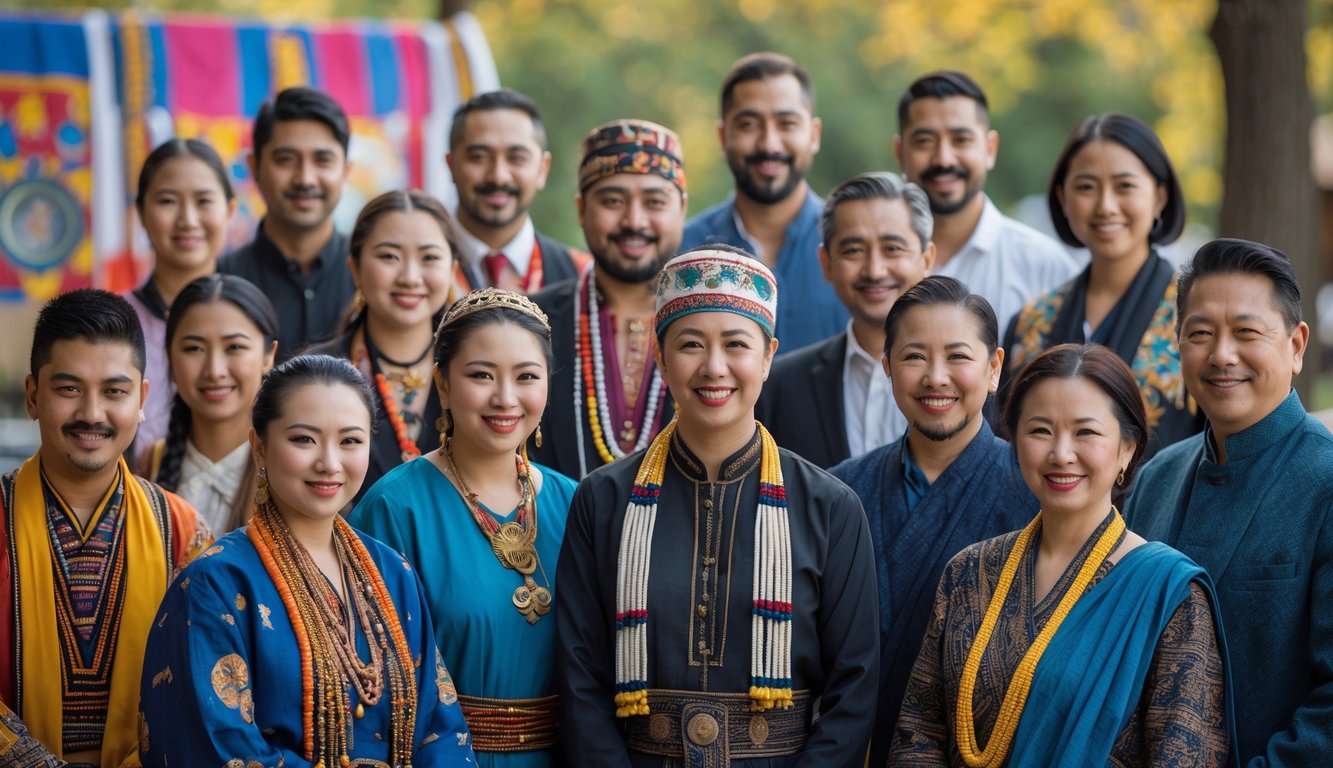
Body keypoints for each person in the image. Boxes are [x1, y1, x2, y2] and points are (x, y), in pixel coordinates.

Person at [556, 246, 879, 767]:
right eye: (690, 344)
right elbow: (578, 676)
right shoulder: (603, 499)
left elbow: (854, 690)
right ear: (660, 357)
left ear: (769, 355)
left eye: (736, 344)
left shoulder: (830, 508)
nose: (714, 367)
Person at [890, 343, 1232, 767]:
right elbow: (918, 730)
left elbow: (1182, 755)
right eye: (1040, 431)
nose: (1061, 454)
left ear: (1127, 448)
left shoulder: (1168, 595)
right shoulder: (968, 572)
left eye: (1085, 432)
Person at [139, 355, 475, 767]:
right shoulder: (216, 585)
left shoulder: (393, 573)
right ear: (259, 447)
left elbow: (440, 726)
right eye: (304, 439)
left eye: (350, 441)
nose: (329, 463)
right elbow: (219, 747)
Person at [1125, 238, 1332, 766]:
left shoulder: (1326, 481)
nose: (1221, 355)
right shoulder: (1155, 478)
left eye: (1246, 332)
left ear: (1296, 345)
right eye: (1200, 333)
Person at [351, 288, 578, 767]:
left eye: (526, 377)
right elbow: (370, 681)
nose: (505, 398)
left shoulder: (577, 502)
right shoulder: (395, 507)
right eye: (481, 375)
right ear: (443, 383)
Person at [827, 275, 1037, 767]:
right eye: (915, 356)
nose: (936, 377)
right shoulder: (837, 492)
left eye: (958, 357)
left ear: (994, 368)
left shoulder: (1037, 494)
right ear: (886, 367)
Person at [0, 290, 209, 768]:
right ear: (33, 395)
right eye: (68, 389)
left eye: (115, 391)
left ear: (142, 400)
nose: (92, 413)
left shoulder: (184, 532)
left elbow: (203, 678)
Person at [1004, 113, 1203, 457]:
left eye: (1124, 186)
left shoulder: (1197, 317)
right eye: (1086, 187)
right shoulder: (1032, 322)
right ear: (1062, 197)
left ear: (1159, 197)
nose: (1105, 206)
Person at [530, 119, 686, 479]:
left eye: (654, 202)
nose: (634, 220)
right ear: (582, 209)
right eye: (613, 201)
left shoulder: (711, 325)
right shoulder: (530, 325)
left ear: (681, 208)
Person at [757, 172, 935, 468]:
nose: (875, 270)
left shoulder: (969, 382)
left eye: (892, 248)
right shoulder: (778, 387)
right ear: (826, 263)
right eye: (854, 250)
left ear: (927, 259)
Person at [681, 52, 847, 351]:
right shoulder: (685, 252)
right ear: (722, 136)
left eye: (786, 124)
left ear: (814, 134)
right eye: (749, 125)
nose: (769, 144)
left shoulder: (855, 251)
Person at [895, 71, 1077, 331]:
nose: (944, 158)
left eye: (961, 140)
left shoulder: (1046, 269)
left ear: (990, 148)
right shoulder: (873, 267)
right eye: (925, 141)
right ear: (900, 152)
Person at [306, 189, 454, 498]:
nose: (410, 277)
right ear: (355, 269)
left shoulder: (473, 371)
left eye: (429, 258)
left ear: (452, 269)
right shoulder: (313, 375)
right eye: (389, 256)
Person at [125, 138, 237, 468]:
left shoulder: (252, 321)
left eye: (203, 201)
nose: (188, 219)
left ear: (230, 211)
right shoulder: (113, 324)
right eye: (168, 201)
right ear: (141, 213)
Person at [218, 86, 354, 359]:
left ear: (345, 171)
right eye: (286, 160)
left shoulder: (377, 277)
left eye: (322, 160)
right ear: (254, 167)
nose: (305, 178)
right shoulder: (221, 284)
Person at [148, 274, 278, 534]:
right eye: (194, 349)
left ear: (268, 356)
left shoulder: (287, 470)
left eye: (235, 347)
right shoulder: (145, 467)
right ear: (170, 358)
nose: (214, 370)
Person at [446, 89, 589, 293]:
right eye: (478, 157)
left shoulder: (582, 277)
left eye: (517, 158)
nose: (498, 176)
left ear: (543, 169)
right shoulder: (413, 275)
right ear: (451, 165)